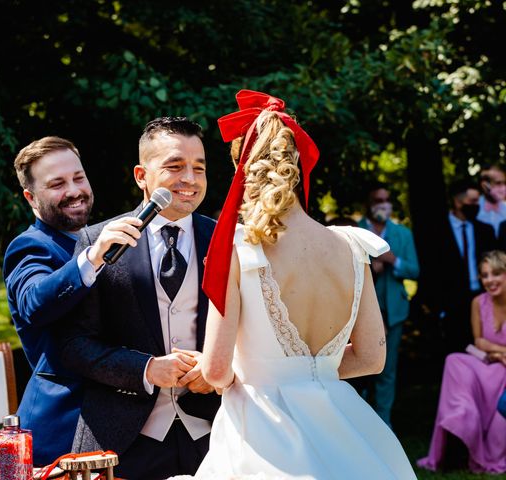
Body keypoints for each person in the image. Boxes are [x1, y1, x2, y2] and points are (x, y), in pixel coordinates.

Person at [191, 90, 416, 478]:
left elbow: (215, 371)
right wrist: (313, 370)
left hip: (264, 430)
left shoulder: (240, 249)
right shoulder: (352, 245)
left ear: (243, 170)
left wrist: (260, 370)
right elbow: (370, 359)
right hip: (341, 422)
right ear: (297, 164)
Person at [56, 117, 221, 480]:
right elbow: (73, 344)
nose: (190, 180)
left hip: (217, 432)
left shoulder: (228, 240)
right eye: (175, 167)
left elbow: (256, 335)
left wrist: (217, 370)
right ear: (141, 176)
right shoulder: (98, 241)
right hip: (126, 440)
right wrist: (145, 369)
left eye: (199, 168)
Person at [3, 136, 142, 465]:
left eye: (78, 178)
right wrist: (92, 257)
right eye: (57, 184)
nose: (74, 190)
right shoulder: (30, 247)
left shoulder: (104, 237)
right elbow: (34, 301)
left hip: (124, 425)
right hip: (63, 430)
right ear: (30, 197)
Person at [418, 250, 506, 474]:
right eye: (484, 275)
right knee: (455, 360)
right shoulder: (478, 302)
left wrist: (495, 351)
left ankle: (482, 441)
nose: (489, 280)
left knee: (498, 437)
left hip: (504, 374)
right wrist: (499, 353)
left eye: (496, 274)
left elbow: (485, 343)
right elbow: (478, 342)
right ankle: (463, 415)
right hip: (489, 364)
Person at [358, 184, 419, 428]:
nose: (382, 204)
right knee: (360, 368)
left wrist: (392, 260)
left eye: (386, 199)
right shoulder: (356, 230)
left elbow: (414, 270)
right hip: (361, 312)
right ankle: (359, 421)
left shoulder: (402, 234)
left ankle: (384, 424)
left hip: (393, 312)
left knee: (387, 370)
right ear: (369, 204)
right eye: (377, 200)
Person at [437, 180, 496, 355]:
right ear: (458, 202)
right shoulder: (437, 231)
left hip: (482, 295)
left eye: (478, 202)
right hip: (452, 300)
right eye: (472, 202)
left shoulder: (485, 230)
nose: (476, 206)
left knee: (482, 346)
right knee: (457, 347)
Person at [477, 164, 506, 235]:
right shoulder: (474, 208)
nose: (503, 187)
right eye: (498, 183)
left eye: (504, 183)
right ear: (484, 186)